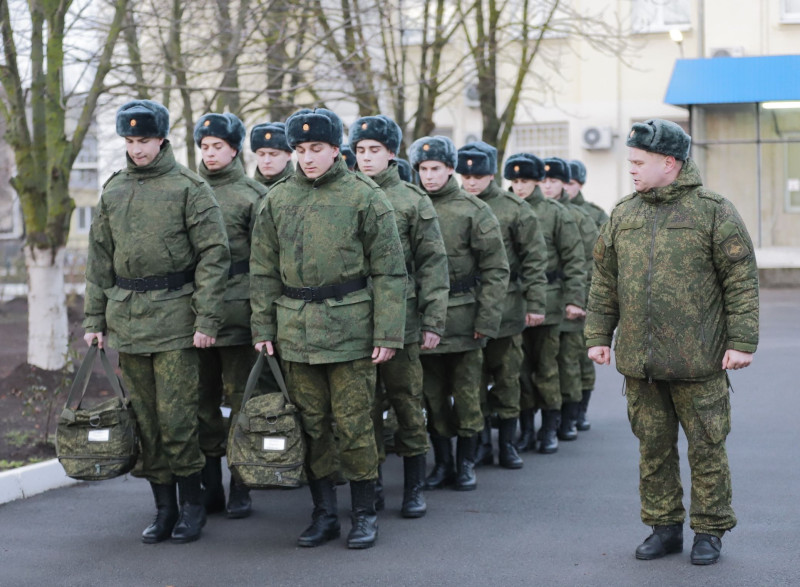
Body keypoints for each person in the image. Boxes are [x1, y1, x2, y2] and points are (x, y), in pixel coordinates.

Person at [586, 118, 759, 565]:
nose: (632, 170)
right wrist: (598, 335)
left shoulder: (713, 210)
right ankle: (663, 527)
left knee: (706, 447)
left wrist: (742, 342)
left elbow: (741, 281)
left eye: (639, 162)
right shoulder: (624, 213)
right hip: (640, 362)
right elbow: (605, 281)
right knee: (653, 448)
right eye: (630, 162)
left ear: (670, 163)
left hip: (698, 359)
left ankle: (710, 530)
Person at [250, 107, 406, 549]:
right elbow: (261, 270)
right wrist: (263, 325)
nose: (307, 158)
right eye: (300, 150)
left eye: (316, 148)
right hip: (296, 332)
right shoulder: (277, 199)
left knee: (355, 425)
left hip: (351, 331)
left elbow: (391, 272)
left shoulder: (365, 197)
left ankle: (363, 514)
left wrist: (387, 333)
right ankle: (323, 514)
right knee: (312, 426)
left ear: (336, 149)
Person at [83, 99, 230, 544]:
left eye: (144, 140)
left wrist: (207, 318)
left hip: (176, 320)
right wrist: (95, 318)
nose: (137, 149)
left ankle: (192, 507)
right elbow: (100, 259)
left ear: (162, 139)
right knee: (146, 421)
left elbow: (213, 255)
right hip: (129, 320)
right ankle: (162, 508)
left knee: (179, 419)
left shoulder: (189, 187)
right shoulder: (113, 190)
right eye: (129, 141)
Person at [349, 114, 449, 518]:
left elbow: (432, 265)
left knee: (407, 403)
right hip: (353, 322)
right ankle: (370, 485)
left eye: (375, 150)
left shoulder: (412, 199)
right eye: (359, 150)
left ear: (391, 153)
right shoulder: (346, 195)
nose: (367, 158)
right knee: (363, 408)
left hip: (403, 324)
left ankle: (413, 485)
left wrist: (431, 322)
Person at [410, 135, 509, 491]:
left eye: (436, 168)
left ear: (450, 169)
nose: (429, 176)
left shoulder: (474, 210)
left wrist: (486, 320)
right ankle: (443, 464)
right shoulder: (411, 206)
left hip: (464, 318)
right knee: (432, 397)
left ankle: (466, 463)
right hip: (424, 320)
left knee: (467, 396)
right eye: (423, 169)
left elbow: (496, 269)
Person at [193, 112, 272, 519]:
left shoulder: (252, 195)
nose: (209, 154)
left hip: (240, 315)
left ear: (234, 148)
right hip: (193, 317)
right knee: (202, 403)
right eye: (204, 147)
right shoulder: (187, 191)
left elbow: (264, 266)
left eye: (217, 147)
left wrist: (262, 322)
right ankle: (210, 486)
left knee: (243, 402)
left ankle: (241, 484)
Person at [457, 141, 547, 469]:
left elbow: (534, 261)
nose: (471, 181)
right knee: (471, 380)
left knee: (508, 375)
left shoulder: (514, 208)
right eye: (465, 175)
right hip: (466, 307)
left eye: (478, 175)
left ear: (491, 174)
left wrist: (536, 304)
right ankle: (479, 442)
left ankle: (507, 443)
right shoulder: (455, 204)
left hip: (507, 307)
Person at [504, 153, 586, 454]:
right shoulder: (505, 208)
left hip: (550, 302)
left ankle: (550, 427)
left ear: (536, 181)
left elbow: (575, 261)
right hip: (513, 301)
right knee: (519, 370)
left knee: (547, 367)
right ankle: (527, 429)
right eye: (514, 181)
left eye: (524, 181)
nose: (519, 187)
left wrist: (575, 299)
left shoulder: (555, 213)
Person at [540, 157, 598, 442]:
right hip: (543, 301)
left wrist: (581, 300)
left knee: (570, 360)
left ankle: (571, 416)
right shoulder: (535, 212)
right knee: (545, 363)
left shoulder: (583, 216)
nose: (547, 186)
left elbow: (589, 264)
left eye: (554, 181)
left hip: (570, 298)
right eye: (543, 181)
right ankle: (547, 420)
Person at [564, 159, 608, 431]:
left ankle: (580, 409)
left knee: (581, 356)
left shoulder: (593, 215)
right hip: (561, 294)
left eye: (571, 183)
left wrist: (591, 300)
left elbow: (601, 262)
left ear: (579, 185)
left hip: (587, 296)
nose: (564, 187)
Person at [250, 121, 294, 190]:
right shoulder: (246, 189)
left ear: (289, 155)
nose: (267, 161)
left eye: (274, 154)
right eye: (261, 154)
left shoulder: (303, 188)